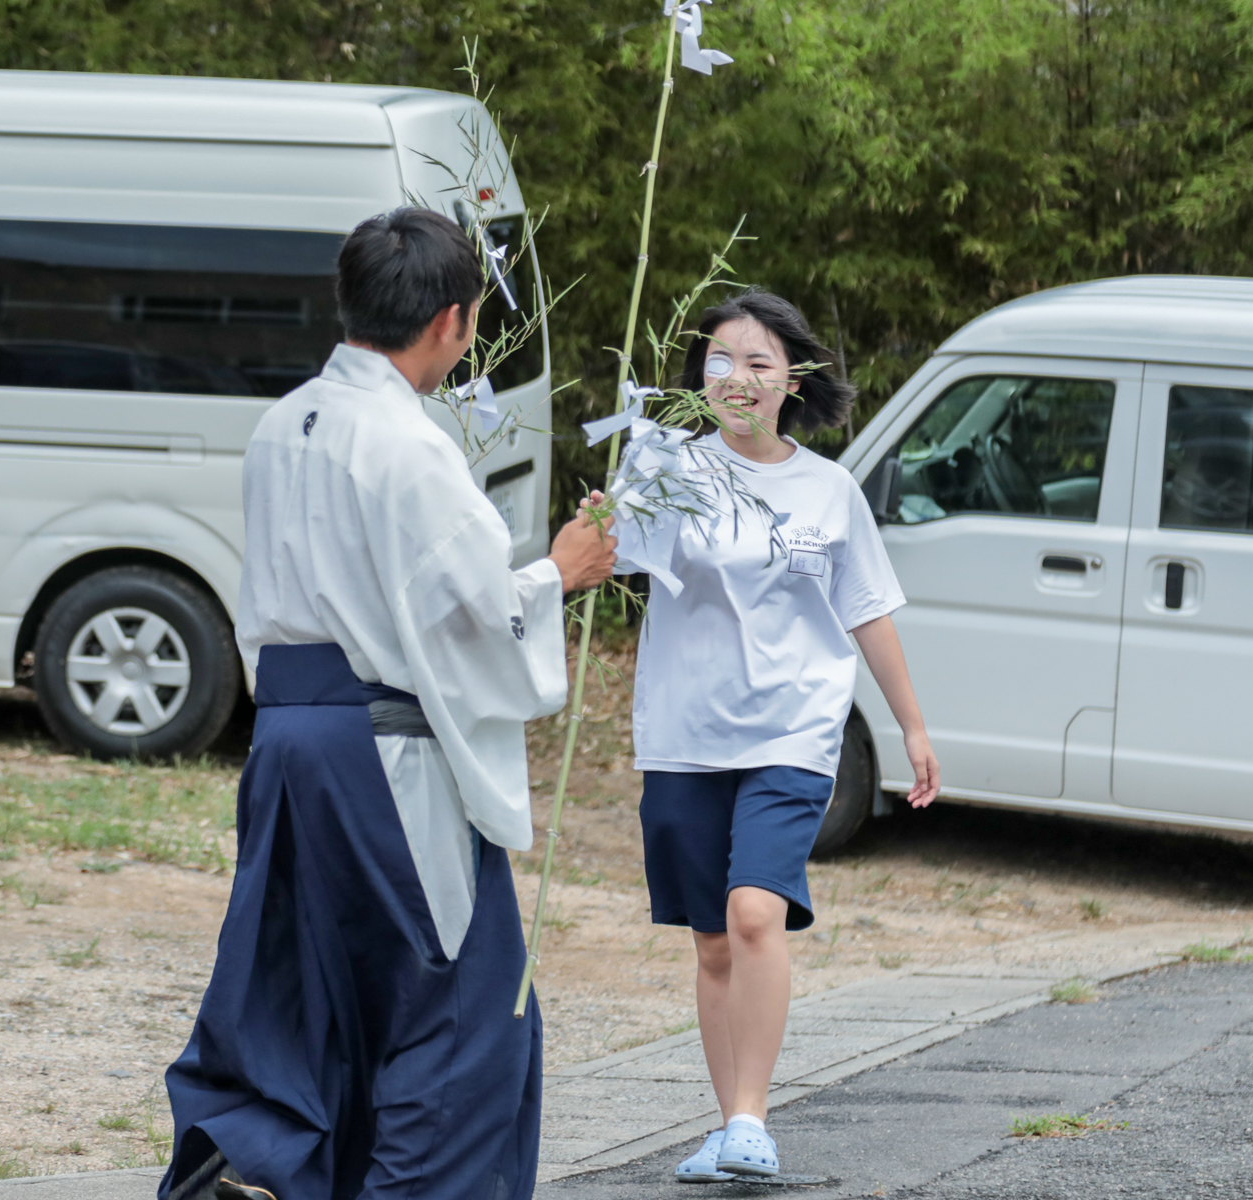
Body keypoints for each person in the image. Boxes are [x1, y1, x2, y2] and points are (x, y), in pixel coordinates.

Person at [160, 206, 616, 1200]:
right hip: (383, 752)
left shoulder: (283, 425)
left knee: (297, 994)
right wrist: (559, 573)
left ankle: (262, 1164)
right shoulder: (408, 446)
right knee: (453, 1013)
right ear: (453, 321)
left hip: (286, 739)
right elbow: (468, 618)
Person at [632, 289, 940, 1181]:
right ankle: (730, 1124)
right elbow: (611, 562)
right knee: (713, 941)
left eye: (758, 361)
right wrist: (615, 506)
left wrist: (911, 727)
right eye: (719, 360)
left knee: (754, 913)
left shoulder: (829, 489)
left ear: (790, 380)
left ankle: (755, 1121)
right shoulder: (668, 467)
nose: (736, 377)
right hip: (685, 735)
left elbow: (868, 614)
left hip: (791, 733)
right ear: (700, 375)